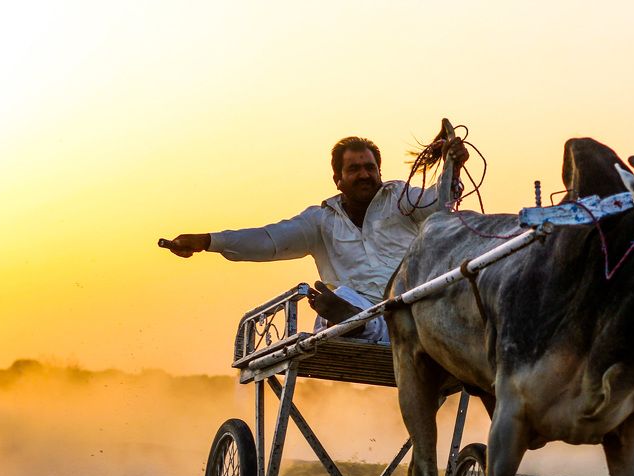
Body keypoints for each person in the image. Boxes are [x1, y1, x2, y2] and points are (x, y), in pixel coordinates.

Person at [160, 134, 469, 341]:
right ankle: (356, 322)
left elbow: (440, 203)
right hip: (353, 313)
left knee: (432, 304)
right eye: (354, 169)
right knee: (337, 299)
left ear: (379, 171)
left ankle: (362, 324)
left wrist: (452, 167)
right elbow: (269, 240)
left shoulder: (402, 199)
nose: (364, 174)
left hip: (410, 311)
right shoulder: (320, 221)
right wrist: (208, 241)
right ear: (338, 179)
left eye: (370, 168)